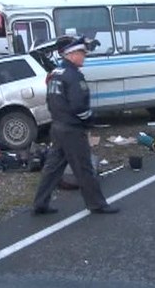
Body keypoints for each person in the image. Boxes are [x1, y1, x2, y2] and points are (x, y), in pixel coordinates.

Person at [33, 36, 119, 215]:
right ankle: (97, 204)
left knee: (52, 167)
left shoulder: (55, 73)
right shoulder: (74, 76)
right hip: (72, 129)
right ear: (71, 55)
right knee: (84, 168)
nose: (84, 57)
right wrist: (90, 120)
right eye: (81, 53)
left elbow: (50, 100)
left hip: (57, 126)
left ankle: (40, 203)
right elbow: (79, 106)